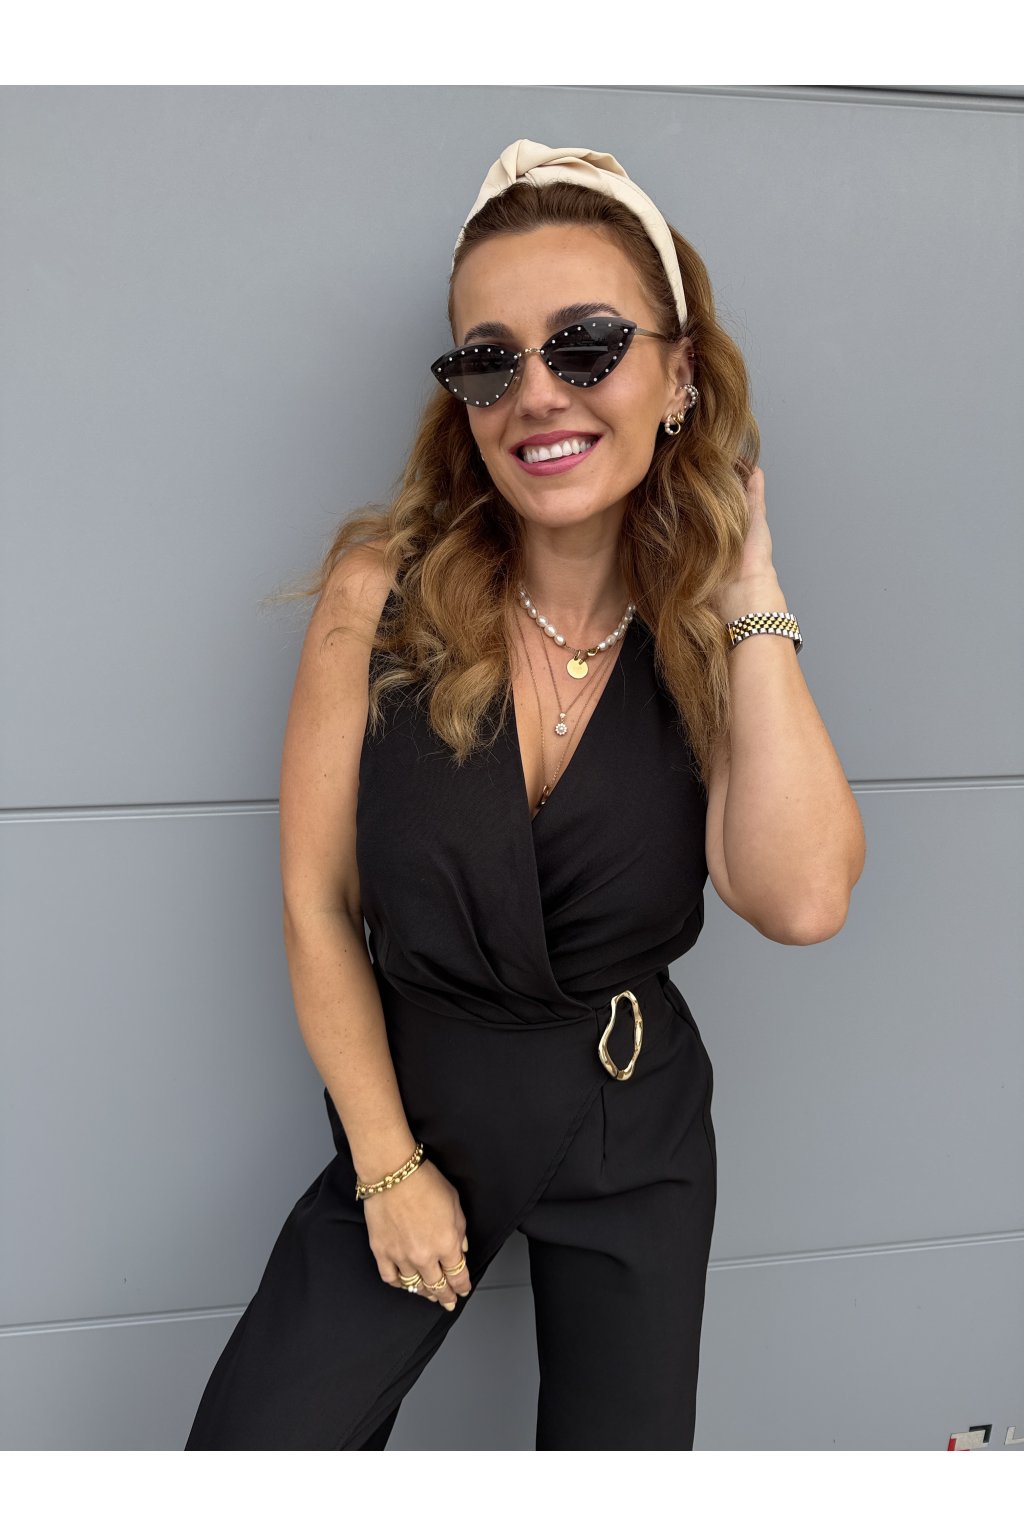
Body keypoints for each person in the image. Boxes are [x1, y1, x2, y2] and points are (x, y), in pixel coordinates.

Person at [184, 140, 865, 1452]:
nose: (537, 392)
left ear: (680, 375)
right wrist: (387, 1167)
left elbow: (802, 900)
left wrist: (749, 590)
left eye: (587, 344)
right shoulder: (378, 597)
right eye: (489, 360)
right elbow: (317, 905)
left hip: (634, 1122)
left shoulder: (710, 629)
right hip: (421, 1109)